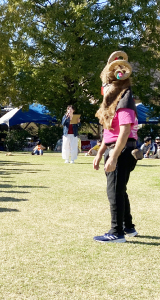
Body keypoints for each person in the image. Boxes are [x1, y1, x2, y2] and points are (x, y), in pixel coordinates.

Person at [93, 50, 138, 243]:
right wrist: (100, 152)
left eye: (108, 82)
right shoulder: (111, 102)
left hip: (122, 150)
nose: (106, 85)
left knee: (114, 191)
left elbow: (125, 131)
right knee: (120, 189)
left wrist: (113, 156)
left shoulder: (125, 97)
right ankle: (128, 227)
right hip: (115, 148)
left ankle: (116, 232)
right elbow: (109, 132)